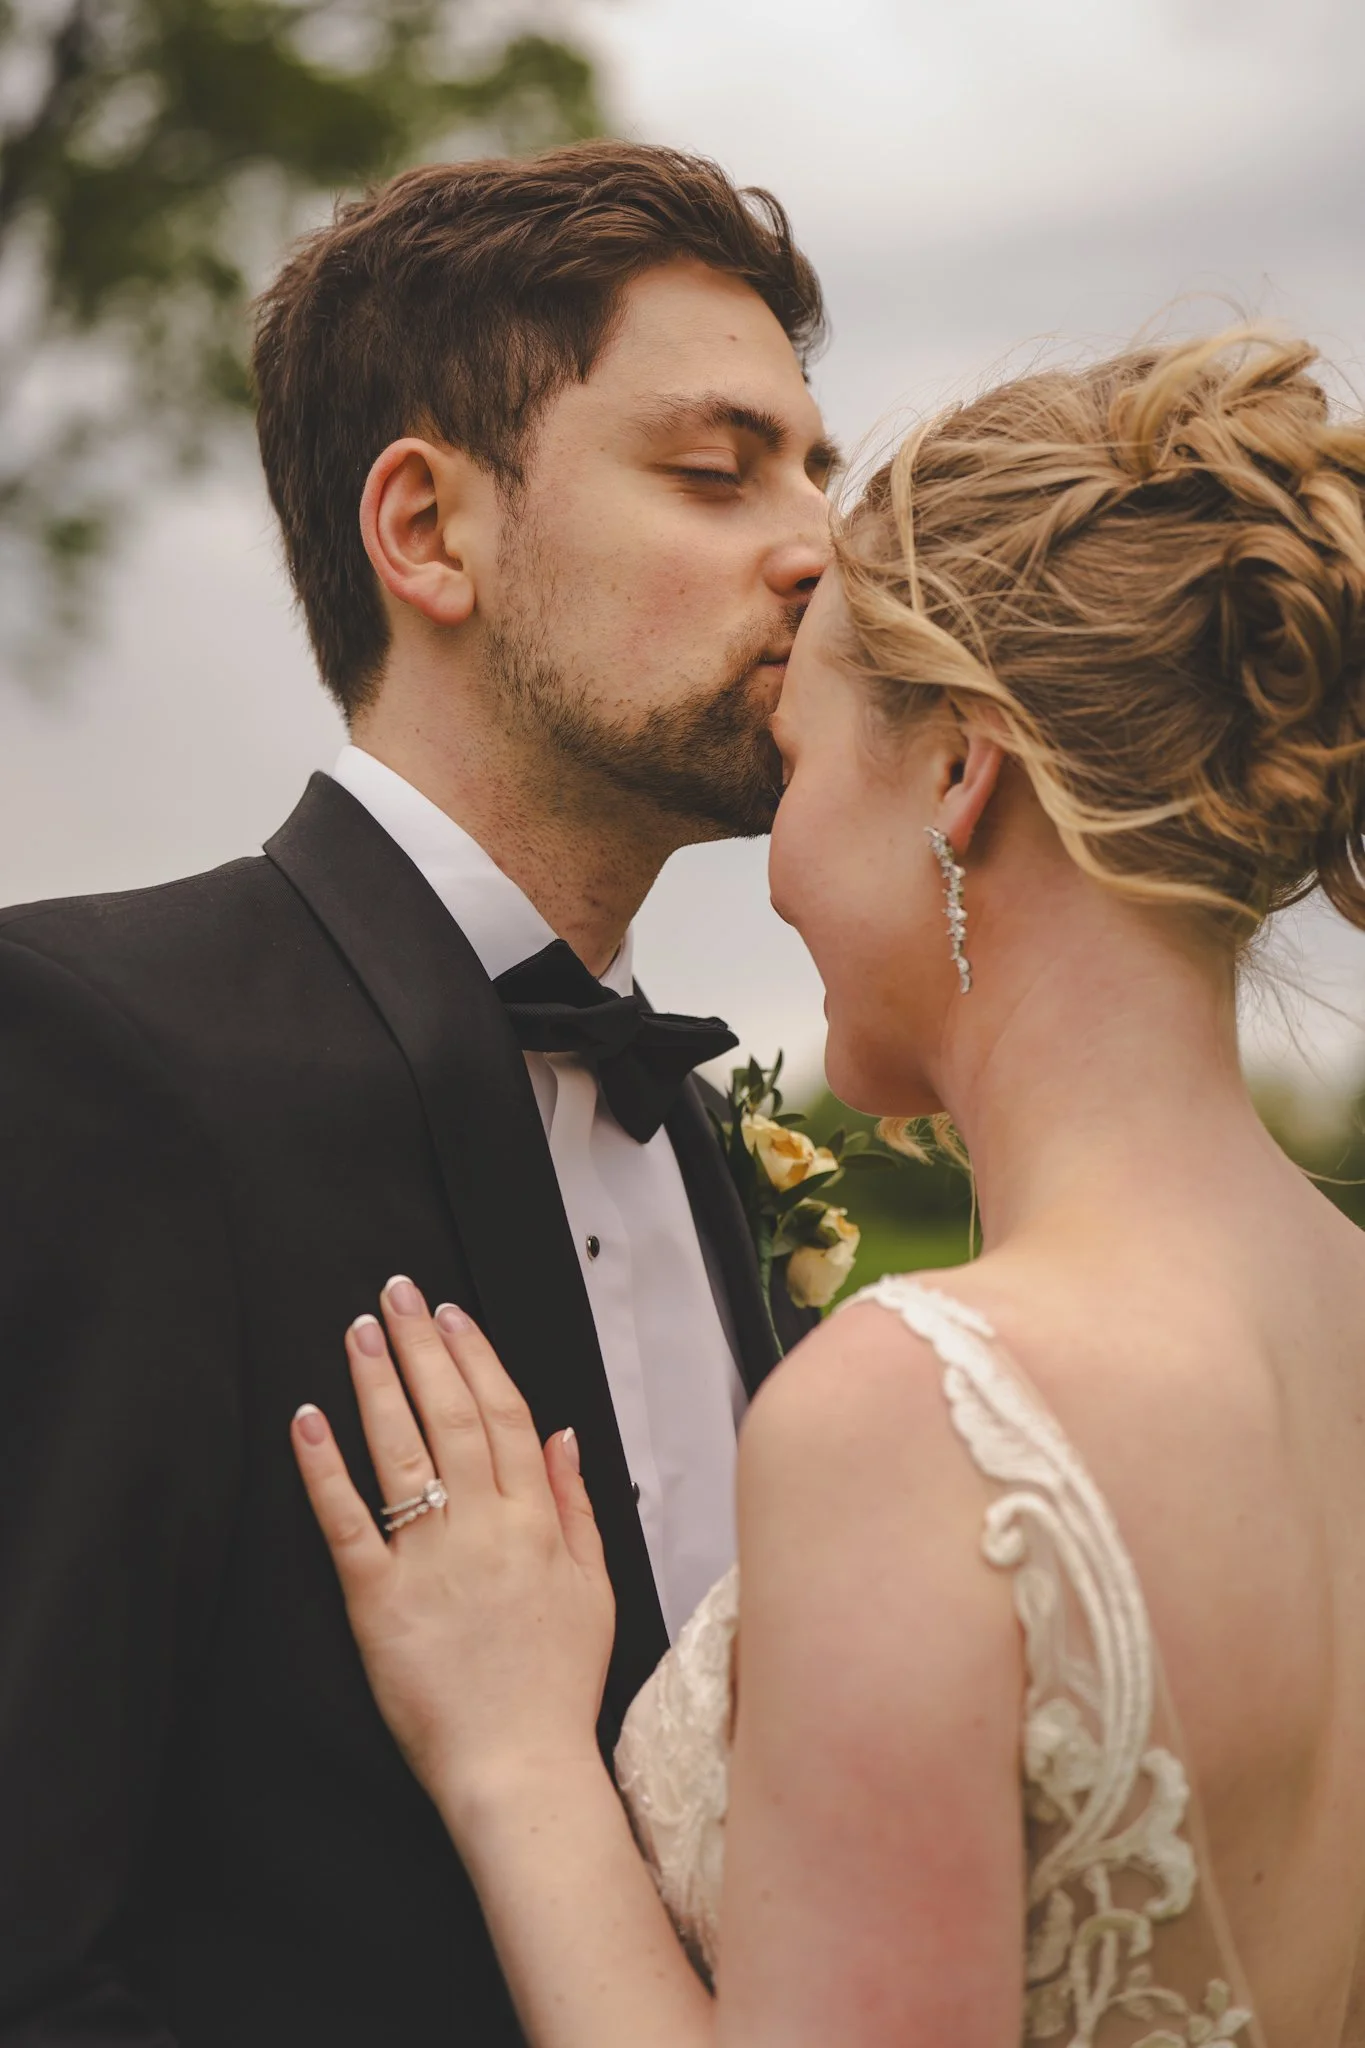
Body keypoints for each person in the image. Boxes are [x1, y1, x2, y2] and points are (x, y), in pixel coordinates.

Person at [296, 328, 1365, 2047]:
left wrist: (513, 1758)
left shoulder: (925, 1416)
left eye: (797, 764)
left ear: (959, 773)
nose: (777, 867)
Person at [0, 143, 834, 2045]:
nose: (818, 549)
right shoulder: (79, 1054)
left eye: (817, 471)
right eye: (717, 473)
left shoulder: (698, 1135)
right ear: (428, 533)